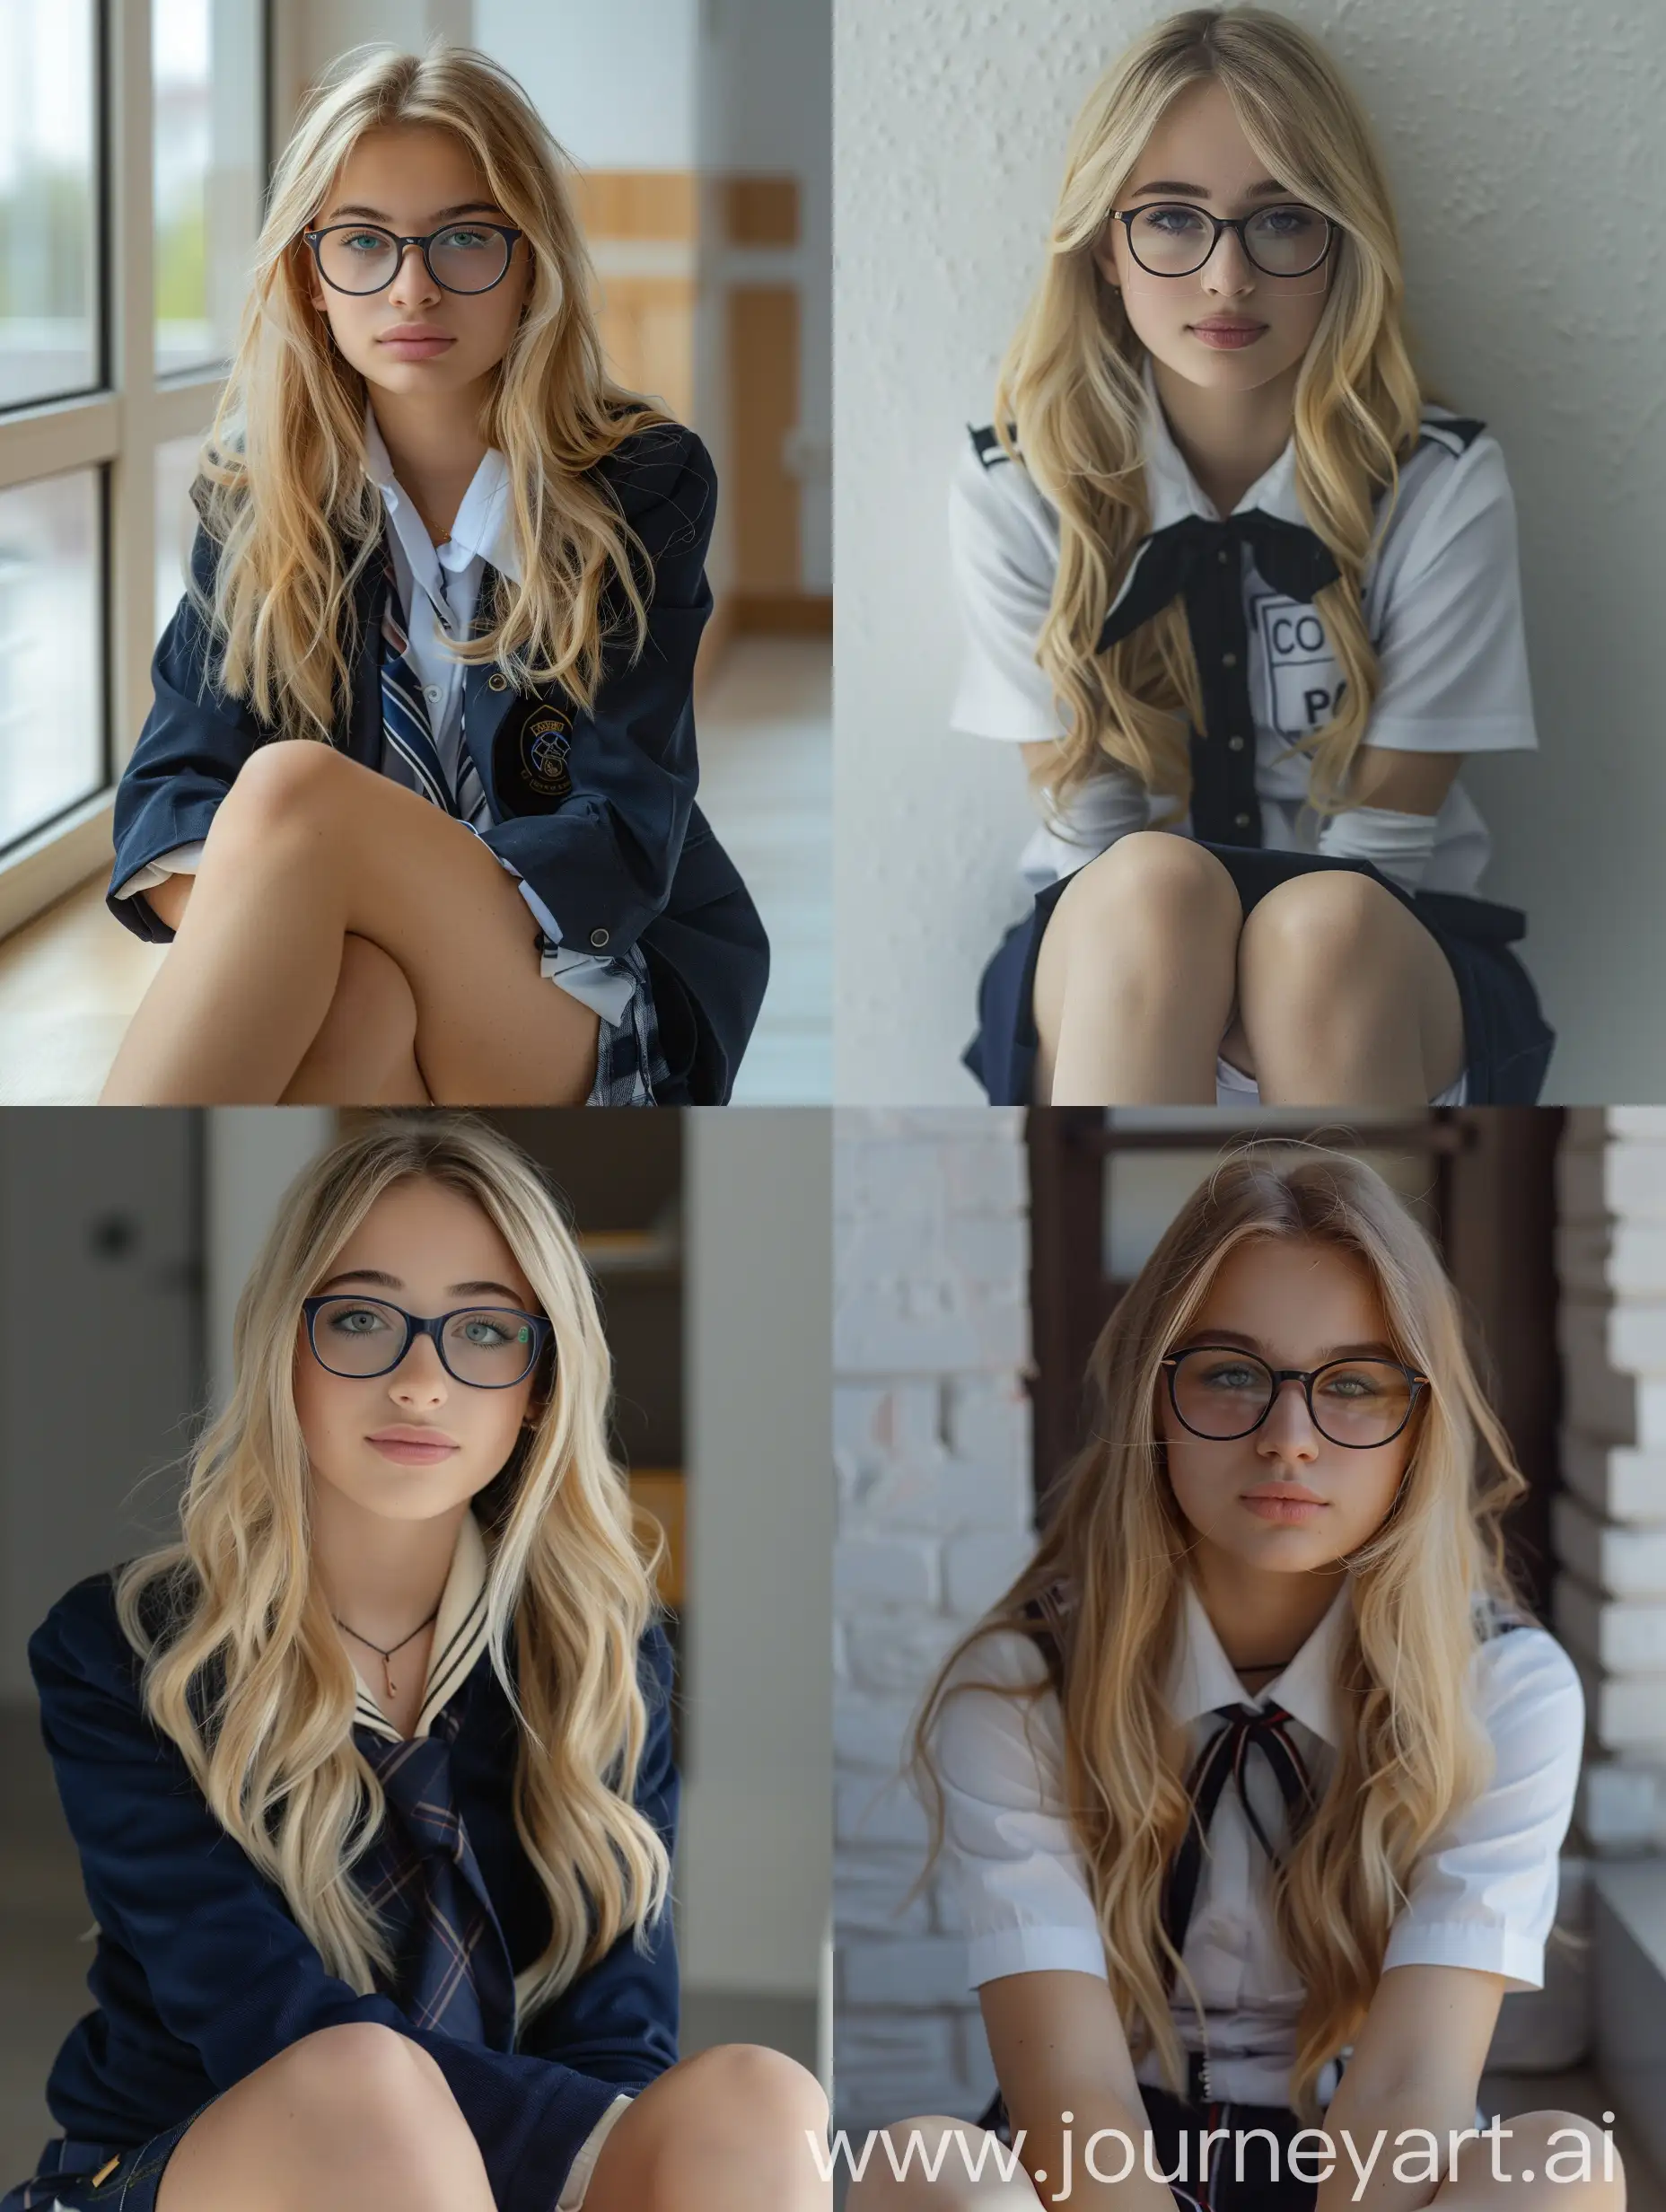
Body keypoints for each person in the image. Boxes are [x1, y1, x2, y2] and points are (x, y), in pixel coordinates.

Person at [4, 1115, 826, 2212]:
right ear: (282, 1352)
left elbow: (616, 2036)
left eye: (483, 1332)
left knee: (757, 2098)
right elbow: (267, 2021)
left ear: (539, 1383)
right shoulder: (126, 1647)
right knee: (364, 2080)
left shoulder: (598, 1650)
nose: (419, 1382)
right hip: (198, 2166)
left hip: (497, 2173)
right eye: (358, 1319)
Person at [850, 1145, 1617, 2212]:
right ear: (1153, 1400)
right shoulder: (1024, 1684)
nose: (1288, 1440)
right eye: (1230, 1375)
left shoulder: (1503, 1688)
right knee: (918, 2165)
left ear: (1417, 1426)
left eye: (1352, 1384)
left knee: (1566, 2164)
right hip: (1110, 2159)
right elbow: (1072, 2096)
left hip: (1368, 2155)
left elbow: (1410, 2085)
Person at [100, 43, 767, 1109]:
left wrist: (345, 869)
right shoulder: (254, 491)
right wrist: (319, 893)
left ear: (531, 263)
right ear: (309, 276)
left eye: (463, 238)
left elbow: (622, 819)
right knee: (354, 997)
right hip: (371, 968)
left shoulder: (643, 480)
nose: (411, 285)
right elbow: (172, 788)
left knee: (291, 791)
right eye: (362, 241)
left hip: (581, 987)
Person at [951, 7, 1550, 1109]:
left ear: (1339, 242)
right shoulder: (1016, 482)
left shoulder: (1439, 484)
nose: (1226, 278)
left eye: (1279, 221)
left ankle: (1367, 1273)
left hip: (1380, 953)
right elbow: (1088, 830)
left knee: (1318, 932)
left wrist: (1250, 997)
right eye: (1172, 221)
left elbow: (1380, 845)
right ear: (1101, 245)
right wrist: (1187, 988)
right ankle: (1132, 1281)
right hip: (1112, 950)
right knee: (1151, 893)